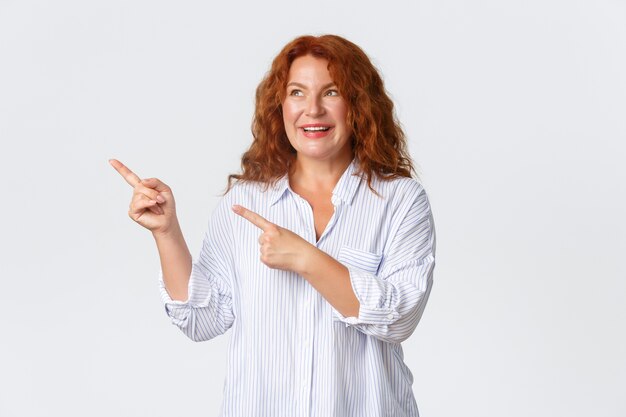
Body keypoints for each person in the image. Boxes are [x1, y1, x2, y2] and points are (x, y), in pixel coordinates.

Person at [110, 34, 436, 417]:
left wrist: (307, 259)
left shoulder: (400, 200)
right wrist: (166, 232)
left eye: (331, 92)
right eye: (297, 92)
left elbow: (399, 317)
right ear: (279, 106)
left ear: (359, 105)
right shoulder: (244, 203)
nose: (312, 110)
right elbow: (203, 319)